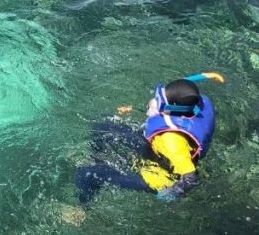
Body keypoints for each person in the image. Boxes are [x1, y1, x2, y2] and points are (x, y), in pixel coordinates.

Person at [74, 73, 224, 204]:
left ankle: (80, 209)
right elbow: (181, 89)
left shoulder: (172, 141)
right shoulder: (189, 109)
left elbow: (191, 176)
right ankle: (97, 158)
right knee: (103, 125)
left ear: (171, 111)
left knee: (86, 173)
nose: (152, 102)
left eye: (158, 102)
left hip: (158, 178)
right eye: (158, 96)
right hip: (156, 150)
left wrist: (173, 193)